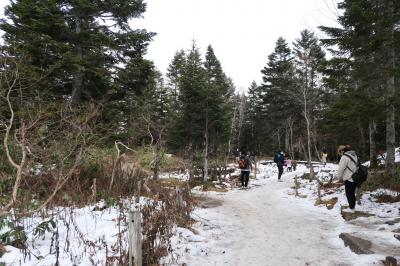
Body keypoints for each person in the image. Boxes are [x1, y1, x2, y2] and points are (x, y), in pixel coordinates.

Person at [337, 145, 358, 211]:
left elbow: (341, 169)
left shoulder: (344, 157)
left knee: (349, 193)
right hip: (357, 176)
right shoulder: (354, 155)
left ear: (342, 151)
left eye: (340, 152)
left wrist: (339, 177)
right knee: (352, 193)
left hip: (350, 177)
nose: (340, 154)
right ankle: (353, 206)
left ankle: (352, 208)